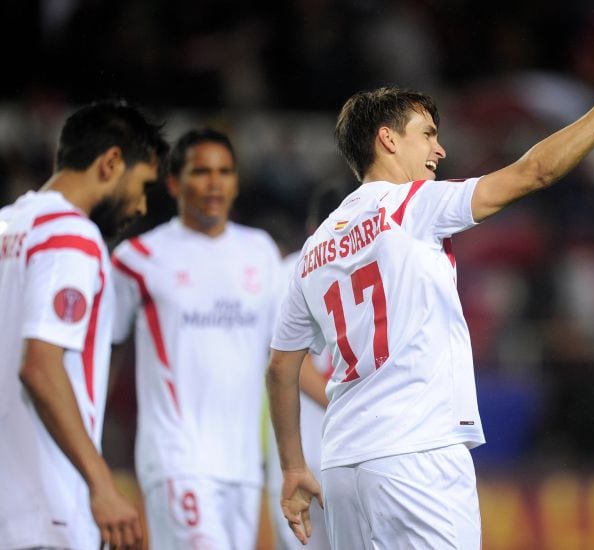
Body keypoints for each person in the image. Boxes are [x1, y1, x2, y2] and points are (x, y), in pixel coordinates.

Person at [267, 50, 594, 548]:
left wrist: (292, 468)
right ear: (387, 139)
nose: (440, 149)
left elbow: (280, 367)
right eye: (428, 134)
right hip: (417, 454)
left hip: (343, 463)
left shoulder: (315, 249)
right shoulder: (411, 205)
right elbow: (535, 172)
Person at [0, 100, 167, 549]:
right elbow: (39, 366)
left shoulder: (6, 226)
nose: (141, 204)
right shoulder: (70, 235)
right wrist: (102, 484)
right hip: (45, 512)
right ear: (111, 162)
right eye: (143, 185)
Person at [111, 128, 283, 548]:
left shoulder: (260, 251)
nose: (214, 183)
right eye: (201, 171)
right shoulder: (138, 258)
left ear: (237, 181)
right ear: (173, 183)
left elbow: (281, 355)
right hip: (176, 457)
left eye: (224, 171)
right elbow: (106, 353)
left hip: (244, 465)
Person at [266, 188, 345, 550]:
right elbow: (293, 369)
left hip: (301, 451)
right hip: (347, 448)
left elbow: (287, 366)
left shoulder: (287, 272)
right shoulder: (374, 265)